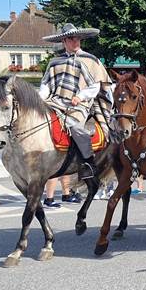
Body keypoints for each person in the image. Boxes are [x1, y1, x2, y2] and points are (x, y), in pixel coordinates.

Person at [39, 23, 113, 183]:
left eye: (77, 39)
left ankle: (88, 163)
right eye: (71, 39)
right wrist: (41, 98)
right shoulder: (54, 62)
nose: (75, 42)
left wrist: (81, 96)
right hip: (55, 102)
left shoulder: (89, 60)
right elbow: (46, 84)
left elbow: (97, 85)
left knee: (76, 128)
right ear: (64, 41)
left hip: (80, 104)